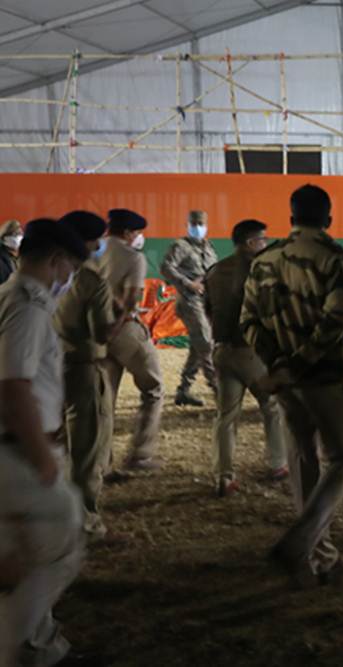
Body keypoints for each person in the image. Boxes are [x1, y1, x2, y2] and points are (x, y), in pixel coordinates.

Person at [241, 185, 343, 588]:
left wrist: (279, 365)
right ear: (328, 216)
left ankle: (316, 558)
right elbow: (336, 319)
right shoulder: (335, 259)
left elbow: (249, 321)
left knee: (304, 460)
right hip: (324, 377)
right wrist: (301, 362)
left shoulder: (265, 259)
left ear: (291, 216)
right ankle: (302, 542)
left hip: (287, 383)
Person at [0, 218, 88, 666]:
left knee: (19, 557)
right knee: (63, 543)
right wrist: (43, 458)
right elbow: (14, 385)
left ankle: (39, 650)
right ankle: (15, 648)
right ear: (56, 261)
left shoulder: (6, 296)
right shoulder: (28, 306)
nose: (66, 278)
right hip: (20, 449)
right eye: (68, 266)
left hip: (14, 447)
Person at [205, 219, 289, 497]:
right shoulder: (260, 272)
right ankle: (278, 463)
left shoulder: (215, 271)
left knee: (226, 417)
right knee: (272, 405)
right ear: (251, 243)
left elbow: (208, 310)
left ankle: (223, 476)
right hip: (250, 351)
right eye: (263, 239)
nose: (265, 243)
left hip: (221, 350)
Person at [53, 211, 122, 541]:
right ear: (86, 242)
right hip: (82, 369)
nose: (99, 246)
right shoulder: (91, 280)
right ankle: (85, 521)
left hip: (49, 369)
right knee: (87, 448)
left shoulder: (48, 274)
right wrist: (123, 317)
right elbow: (102, 332)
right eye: (96, 241)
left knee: (58, 447)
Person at [100, 209, 165, 472]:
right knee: (154, 389)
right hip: (125, 330)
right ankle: (140, 454)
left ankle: (101, 461)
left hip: (97, 332)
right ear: (128, 233)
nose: (139, 238)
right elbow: (130, 303)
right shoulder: (133, 257)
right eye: (138, 233)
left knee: (105, 400)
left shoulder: (94, 252)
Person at [161, 210, 218, 407]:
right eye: (194, 224)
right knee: (205, 342)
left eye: (201, 223)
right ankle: (219, 389)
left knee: (197, 347)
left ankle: (183, 391)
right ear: (188, 225)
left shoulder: (209, 247)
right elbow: (166, 267)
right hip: (189, 301)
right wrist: (188, 283)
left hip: (206, 301)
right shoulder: (180, 246)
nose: (198, 227)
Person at [0, 219, 20, 285]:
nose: (19, 238)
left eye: (20, 234)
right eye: (15, 234)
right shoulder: (2, 260)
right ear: (5, 238)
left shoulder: (15, 258)